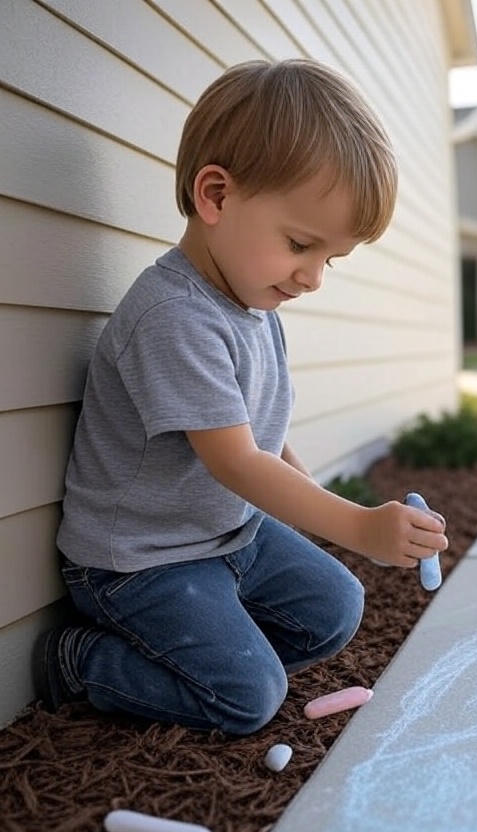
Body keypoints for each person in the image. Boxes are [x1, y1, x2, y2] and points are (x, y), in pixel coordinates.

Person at [34, 59, 448, 735]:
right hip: (141, 562)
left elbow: (262, 437)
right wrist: (355, 524)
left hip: (226, 535)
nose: (314, 277)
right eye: (301, 245)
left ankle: (211, 644)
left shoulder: (254, 307)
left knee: (337, 608)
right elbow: (235, 462)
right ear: (217, 197)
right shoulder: (172, 316)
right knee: (249, 697)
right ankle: (86, 662)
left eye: (331, 260)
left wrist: (315, 501)